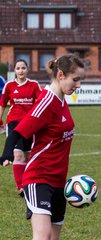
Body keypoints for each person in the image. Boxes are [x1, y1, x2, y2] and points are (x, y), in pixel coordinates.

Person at [0, 54, 85, 240]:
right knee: (43, 236)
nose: (78, 85)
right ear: (61, 75)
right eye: (76, 80)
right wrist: (7, 153)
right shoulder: (47, 101)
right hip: (39, 178)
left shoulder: (61, 99)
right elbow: (18, 131)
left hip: (59, 182)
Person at [0, 59, 42, 196]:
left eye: (23, 68)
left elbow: (41, 103)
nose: (21, 71)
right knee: (18, 155)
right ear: (15, 71)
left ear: (27, 69)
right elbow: (2, 104)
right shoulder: (9, 86)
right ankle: (21, 187)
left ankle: (28, 182)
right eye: (18, 68)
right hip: (13, 123)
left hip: (30, 124)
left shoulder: (34, 85)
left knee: (27, 155)